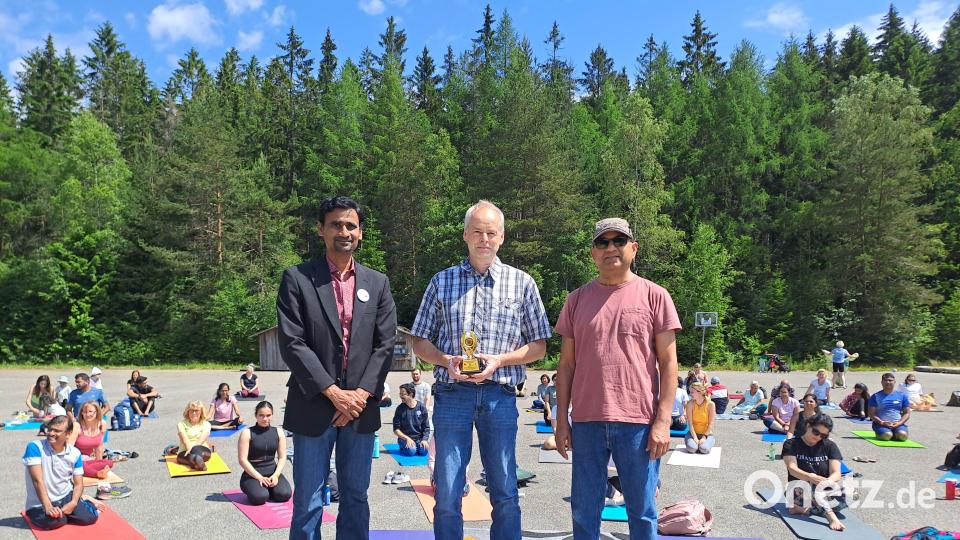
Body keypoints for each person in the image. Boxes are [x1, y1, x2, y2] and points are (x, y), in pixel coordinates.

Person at [409, 200, 551, 540]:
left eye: (491, 232)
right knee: (447, 492)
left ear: (501, 237)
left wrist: (500, 361)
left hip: (499, 396)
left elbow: (540, 346)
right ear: (465, 235)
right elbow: (419, 341)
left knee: (504, 489)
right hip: (451, 394)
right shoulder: (441, 282)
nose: (484, 239)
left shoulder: (522, 283)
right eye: (477, 232)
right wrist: (446, 361)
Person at [553, 217, 681, 540]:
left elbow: (669, 364)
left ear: (633, 249)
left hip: (638, 423)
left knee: (642, 512)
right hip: (586, 422)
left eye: (619, 241)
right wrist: (561, 420)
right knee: (584, 510)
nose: (611, 248)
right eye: (602, 242)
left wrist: (663, 420)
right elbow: (566, 365)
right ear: (592, 253)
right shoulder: (576, 300)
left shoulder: (656, 296)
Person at [277, 195, 396, 540]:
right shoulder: (297, 279)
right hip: (313, 404)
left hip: (360, 409)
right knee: (309, 500)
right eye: (336, 225)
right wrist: (333, 393)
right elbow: (292, 342)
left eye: (350, 225)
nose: (343, 231)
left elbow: (385, 344)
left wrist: (357, 396)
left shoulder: (377, 283)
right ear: (321, 229)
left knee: (356, 497)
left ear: (360, 233)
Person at [22, 415, 99, 530]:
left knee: (89, 518)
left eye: (57, 431)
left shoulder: (75, 453)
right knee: (57, 522)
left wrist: (73, 502)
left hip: (65, 496)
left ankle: (84, 501)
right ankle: (66, 513)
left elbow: (78, 483)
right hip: (39, 504)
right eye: (50, 429)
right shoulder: (34, 447)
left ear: (68, 434)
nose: (51, 433)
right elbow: (38, 481)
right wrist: (48, 507)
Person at [781, 413, 846, 531]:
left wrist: (826, 482)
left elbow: (836, 473)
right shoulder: (791, 444)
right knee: (811, 488)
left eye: (823, 435)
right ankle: (830, 515)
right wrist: (810, 477)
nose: (818, 437)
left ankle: (803, 509)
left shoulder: (829, 445)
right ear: (808, 425)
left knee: (851, 494)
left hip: (823, 488)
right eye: (816, 432)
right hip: (800, 489)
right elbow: (792, 468)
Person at [238, 401, 292, 505]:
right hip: (252, 474)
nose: (265, 419)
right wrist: (259, 478)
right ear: (256, 415)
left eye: (268, 415)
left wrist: (276, 475)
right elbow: (242, 460)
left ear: (272, 415)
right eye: (261, 415)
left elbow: (282, 457)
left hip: (272, 472)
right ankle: (261, 490)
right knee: (260, 497)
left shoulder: (279, 432)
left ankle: (270, 489)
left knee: (284, 494)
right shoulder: (247, 433)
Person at [67, 401, 113, 479]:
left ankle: (88, 470)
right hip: (76, 458)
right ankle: (97, 473)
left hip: (89, 460)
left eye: (90, 411)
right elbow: (68, 448)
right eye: (85, 412)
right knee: (81, 464)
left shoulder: (102, 424)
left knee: (109, 462)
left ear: (97, 412)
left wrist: (99, 462)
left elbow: (99, 448)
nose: (87, 414)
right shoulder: (77, 426)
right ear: (81, 413)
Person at [869, 372, 911, 441]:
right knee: (886, 436)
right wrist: (882, 422)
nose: (888, 382)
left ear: (894, 382)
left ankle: (895, 432)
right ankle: (885, 432)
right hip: (881, 424)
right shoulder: (875, 396)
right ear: (882, 382)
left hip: (898, 423)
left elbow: (907, 413)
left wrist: (899, 423)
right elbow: (871, 414)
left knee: (902, 436)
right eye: (885, 380)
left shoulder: (902, 396)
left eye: (890, 380)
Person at [393, 383, 430, 456]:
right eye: (400, 394)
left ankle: (416, 446)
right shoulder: (400, 409)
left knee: (424, 451)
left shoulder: (421, 407)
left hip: (418, 438)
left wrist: (424, 440)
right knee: (411, 451)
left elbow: (426, 427)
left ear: (410, 394)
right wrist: (407, 438)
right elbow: (396, 430)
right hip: (405, 438)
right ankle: (404, 447)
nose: (400, 396)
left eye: (403, 394)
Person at [176, 400, 212, 471]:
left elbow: (201, 441)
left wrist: (192, 449)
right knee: (192, 457)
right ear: (188, 411)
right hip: (185, 451)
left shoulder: (207, 424)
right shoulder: (181, 424)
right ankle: (197, 462)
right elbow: (185, 440)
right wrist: (189, 449)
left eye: (196, 410)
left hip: (202, 450)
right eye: (191, 410)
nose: (194, 413)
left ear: (201, 412)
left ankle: (196, 462)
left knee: (196, 450)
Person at [684, 382, 716, 454]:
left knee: (704, 449)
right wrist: (695, 438)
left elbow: (711, 424)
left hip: (707, 434)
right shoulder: (690, 404)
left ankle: (708, 442)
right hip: (692, 434)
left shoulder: (710, 404)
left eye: (692, 392)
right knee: (692, 449)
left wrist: (704, 437)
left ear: (699, 392)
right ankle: (697, 444)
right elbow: (690, 424)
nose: (690, 394)